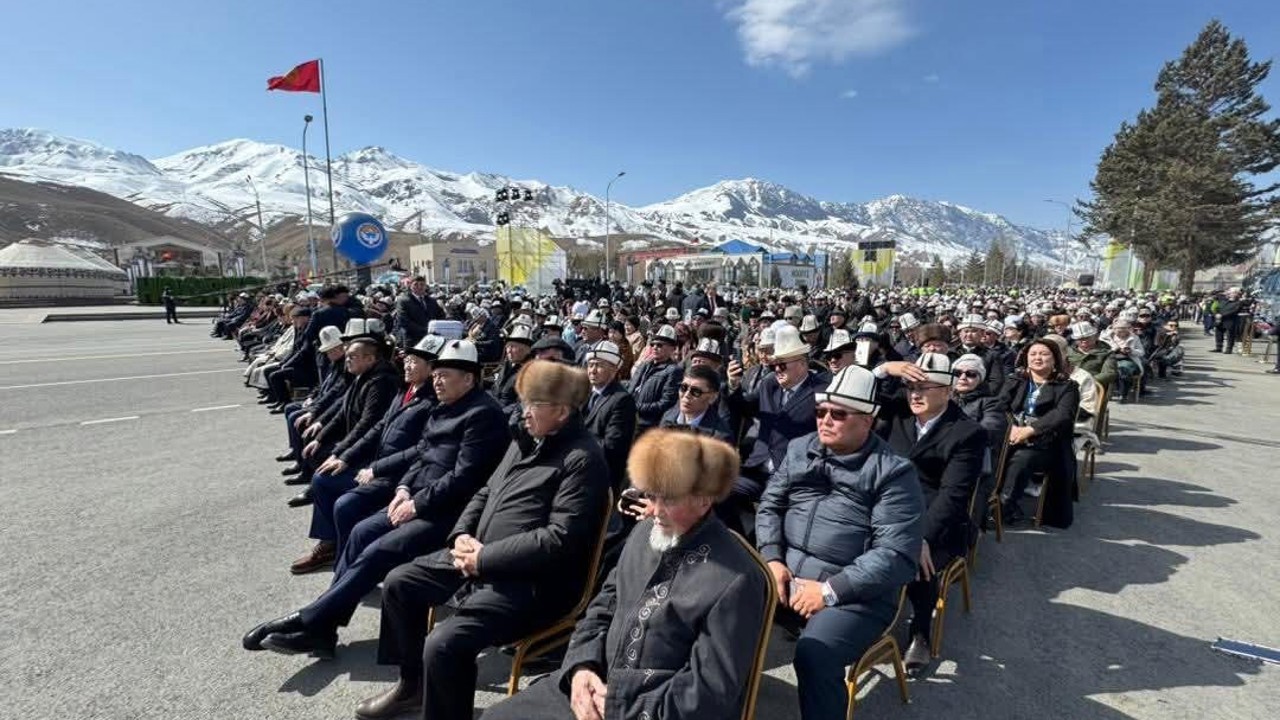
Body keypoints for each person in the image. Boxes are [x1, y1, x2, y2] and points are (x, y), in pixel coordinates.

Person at [357, 360, 610, 720]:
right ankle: (413, 687)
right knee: (400, 583)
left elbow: (559, 539)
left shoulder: (582, 459)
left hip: (532, 583)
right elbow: (485, 492)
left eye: (533, 404)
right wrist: (460, 534)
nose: (523, 412)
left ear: (563, 411)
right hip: (477, 556)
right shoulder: (525, 441)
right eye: (523, 402)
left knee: (444, 644)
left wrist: (483, 558)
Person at [241, 340, 510, 659]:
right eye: (436, 374)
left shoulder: (482, 414)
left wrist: (416, 503)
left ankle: (312, 620)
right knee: (360, 531)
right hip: (417, 497)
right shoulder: (445, 405)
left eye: (445, 375)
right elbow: (422, 453)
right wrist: (404, 489)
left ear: (468, 379)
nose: (437, 381)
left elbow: (464, 478)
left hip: (449, 512)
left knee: (379, 549)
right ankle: (323, 627)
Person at [482, 429, 769, 720]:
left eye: (668, 500)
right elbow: (602, 607)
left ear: (704, 500)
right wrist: (581, 668)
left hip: (653, 710)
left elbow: (710, 692)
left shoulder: (737, 581)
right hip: (593, 682)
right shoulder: (644, 532)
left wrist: (619, 706)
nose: (654, 510)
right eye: (651, 495)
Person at [756, 365, 924, 720]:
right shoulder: (800, 448)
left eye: (838, 414)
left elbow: (895, 555)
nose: (825, 420)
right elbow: (769, 505)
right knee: (713, 608)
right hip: (785, 575)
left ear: (868, 420)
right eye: (820, 412)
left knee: (815, 654)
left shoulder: (894, 472)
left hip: (855, 593)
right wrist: (771, 559)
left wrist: (829, 591)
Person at [873, 353, 986, 673]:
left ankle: (920, 630)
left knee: (918, 558)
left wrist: (919, 536)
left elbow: (953, 496)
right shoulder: (898, 413)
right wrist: (884, 369)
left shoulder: (967, 432)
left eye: (924, 387)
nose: (915, 394)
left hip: (936, 518)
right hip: (886, 508)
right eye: (910, 387)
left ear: (948, 391)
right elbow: (858, 395)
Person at [998, 339, 1081, 528]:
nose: (1038, 358)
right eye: (1033, 354)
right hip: (1011, 433)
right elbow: (1000, 406)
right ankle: (983, 500)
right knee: (988, 451)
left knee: (1021, 459)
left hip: (1046, 442)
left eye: (1044, 354)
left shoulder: (1067, 386)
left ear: (1055, 360)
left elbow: (1062, 415)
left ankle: (1003, 508)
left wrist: (1030, 430)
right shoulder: (1016, 380)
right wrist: (1011, 428)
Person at [582, 340, 638, 493]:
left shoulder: (622, 400)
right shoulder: (584, 392)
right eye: (590, 365)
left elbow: (612, 447)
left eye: (599, 365)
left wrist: (576, 441)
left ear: (614, 370)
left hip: (600, 475)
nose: (592, 370)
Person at [629, 324, 684, 435]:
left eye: (659, 345)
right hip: (630, 418)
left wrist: (637, 407)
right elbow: (631, 387)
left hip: (648, 425)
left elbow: (666, 403)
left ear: (672, 349)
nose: (654, 347)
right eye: (652, 344)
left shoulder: (674, 371)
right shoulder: (644, 365)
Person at [660, 364, 733, 442]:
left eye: (696, 392)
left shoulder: (720, 437)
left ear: (712, 397)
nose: (687, 395)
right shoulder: (668, 416)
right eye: (683, 388)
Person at [490, 324, 533, 413]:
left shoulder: (529, 372)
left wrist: (498, 414)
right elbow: (495, 389)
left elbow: (519, 406)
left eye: (513, 347)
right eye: (507, 346)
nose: (509, 351)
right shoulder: (508, 363)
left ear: (527, 350)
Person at [1100, 318, 1144, 402]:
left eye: (1124, 330)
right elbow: (1101, 350)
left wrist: (1131, 350)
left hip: (1128, 359)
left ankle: (1123, 394)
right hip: (1110, 358)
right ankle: (1104, 393)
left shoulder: (1134, 337)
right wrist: (1114, 349)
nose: (1122, 333)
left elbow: (1141, 352)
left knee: (1123, 370)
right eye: (1119, 331)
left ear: (1128, 329)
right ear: (1114, 329)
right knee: (1106, 370)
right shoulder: (1105, 337)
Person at [394, 276, 443, 348]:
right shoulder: (403, 300)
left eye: (422, 284)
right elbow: (404, 321)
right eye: (416, 284)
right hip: (412, 340)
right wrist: (425, 330)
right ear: (410, 286)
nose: (419, 287)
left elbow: (440, 316)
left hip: (432, 340)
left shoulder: (432, 301)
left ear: (425, 286)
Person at [1067, 321, 1118, 390]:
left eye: (1087, 337)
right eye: (1080, 339)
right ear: (1075, 340)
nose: (1084, 341)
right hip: (1069, 387)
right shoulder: (1068, 351)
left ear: (1095, 336)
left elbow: (1109, 373)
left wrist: (1087, 381)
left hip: (1094, 388)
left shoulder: (1107, 353)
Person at [1212, 287, 1244, 354]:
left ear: (1236, 294)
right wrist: (1216, 314)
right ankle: (1218, 347)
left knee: (1230, 335)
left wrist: (1222, 315)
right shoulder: (1224, 300)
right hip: (1220, 320)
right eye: (1230, 292)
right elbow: (1218, 307)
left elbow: (1234, 311)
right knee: (1218, 333)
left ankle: (1229, 349)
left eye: (1232, 292)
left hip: (1230, 320)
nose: (1230, 294)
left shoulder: (1239, 302)